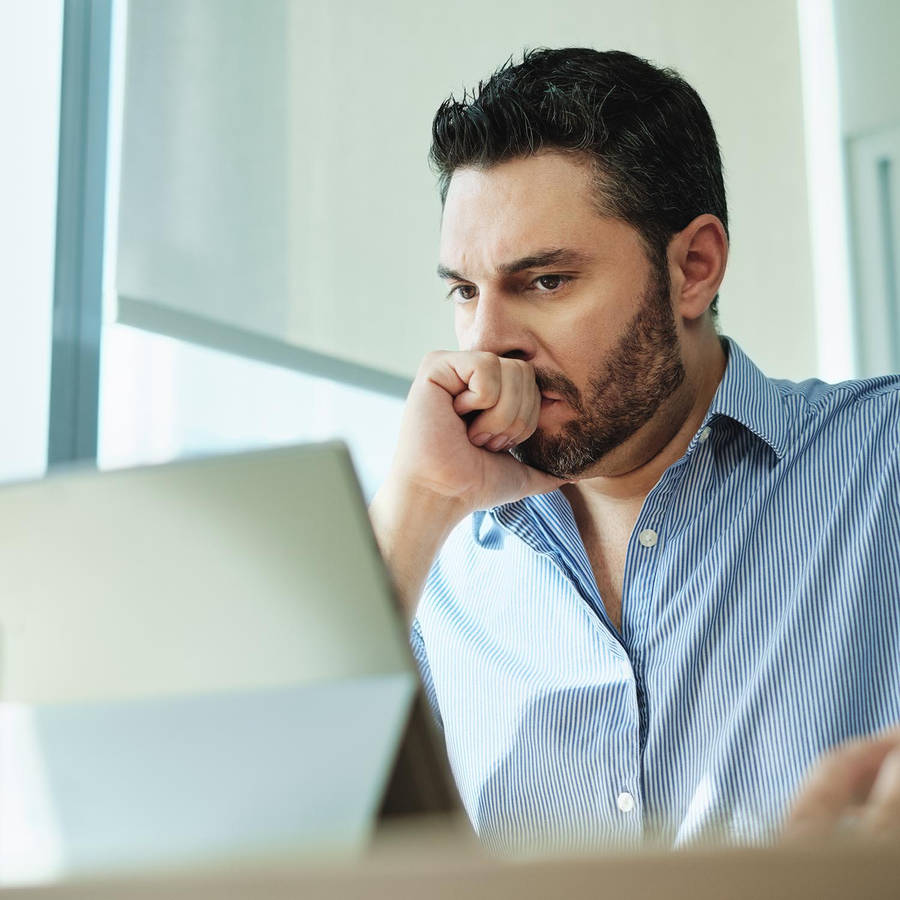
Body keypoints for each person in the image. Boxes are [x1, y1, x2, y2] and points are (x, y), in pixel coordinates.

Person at [369, 47, 900, 853]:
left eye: (545, 281)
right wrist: (418, 509)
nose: (485, 344)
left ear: (694, 268)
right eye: (466, 292)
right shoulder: (436, 569)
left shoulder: (883, 462)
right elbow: (266, 836)